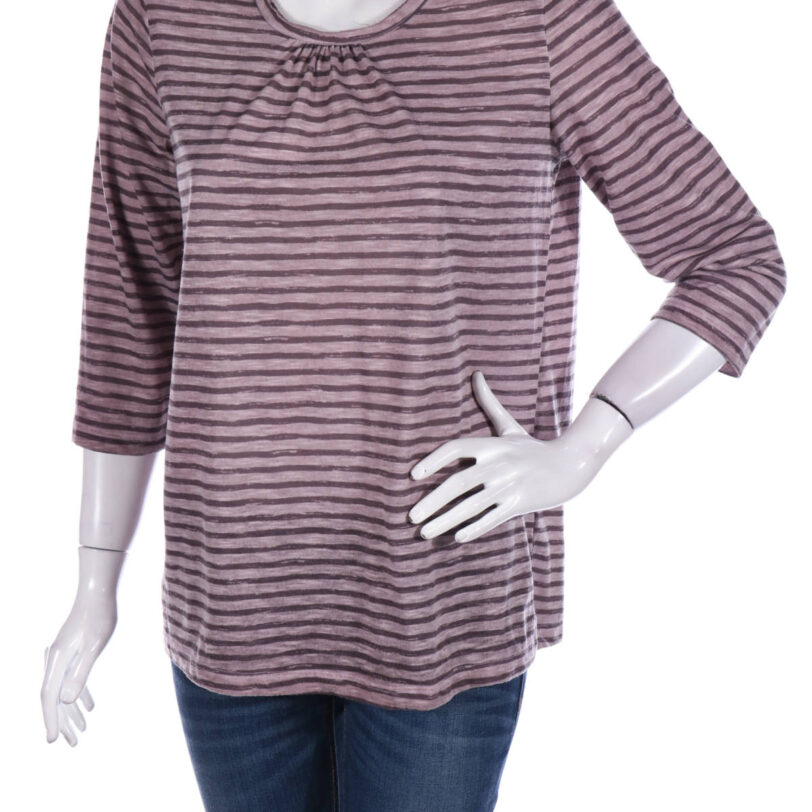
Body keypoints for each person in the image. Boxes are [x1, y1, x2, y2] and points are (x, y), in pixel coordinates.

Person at [41, 0, 786, 810]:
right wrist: (94, 582)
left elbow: (734, 257)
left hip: (442, 585)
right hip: (235, 595)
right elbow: (130, 314)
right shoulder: (164, 21)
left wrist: (583, 449)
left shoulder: (539, 18)